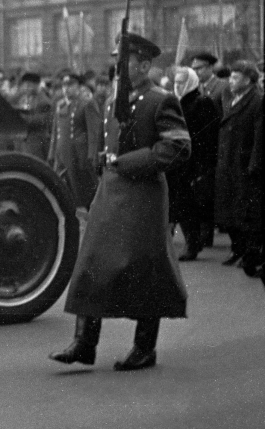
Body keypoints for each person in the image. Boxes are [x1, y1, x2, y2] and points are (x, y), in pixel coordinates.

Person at [50, 33, 190, 372]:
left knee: (145, 267)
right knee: (93, 260)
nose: (118, 68)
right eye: (117, 61)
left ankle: (144, 347)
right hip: (112, 191)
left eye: (125, 61)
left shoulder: (161, 100)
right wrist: (104, 158)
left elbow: (179, 146)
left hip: (143, 194)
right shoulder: (116, 99)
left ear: (144, 65)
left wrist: (127, 162)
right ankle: (85, 342)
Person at [166, 66, 221, 261]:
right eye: (176, 82)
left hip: (196, 160)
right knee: (181, 203)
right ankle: (190, 241)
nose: (179, 86)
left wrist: (204, 165)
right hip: (179, 161)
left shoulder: (202, 102)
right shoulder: (174, 102)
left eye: (182, 82)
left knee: (192, 204)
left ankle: (193, 243)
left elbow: (209, 136)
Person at [214, 61, 263, 274]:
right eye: (231, 77)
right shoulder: (229, 97)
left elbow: (259, 137)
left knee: (246, 211)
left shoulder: (257, 100)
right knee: (229, 207)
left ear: (248, 80)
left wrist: (254, 165)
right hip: (228, 160)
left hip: (243, 163)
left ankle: (248, 252)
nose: (231, 81)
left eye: (235, 77)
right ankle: (237, 249)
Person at [48, 72, 102, 212]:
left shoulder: (87, 104)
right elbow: (56, 132)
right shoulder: (60, 105)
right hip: (62, 156)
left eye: (70, 84)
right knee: (65, 191)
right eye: (64, 85)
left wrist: (92, 156)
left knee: (85, 191)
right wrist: (52, 154)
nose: (66, 88)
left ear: (79, 86)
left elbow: (93, 133)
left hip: (80, 157)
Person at [11, 72, 53, 160]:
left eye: (29, 85)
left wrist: (21, 118)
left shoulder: (43, 101)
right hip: (24, 140)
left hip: (37, 141)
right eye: (25, 85)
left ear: (36, 85)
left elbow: (41, 120)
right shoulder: (24, 97)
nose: (26, 88)